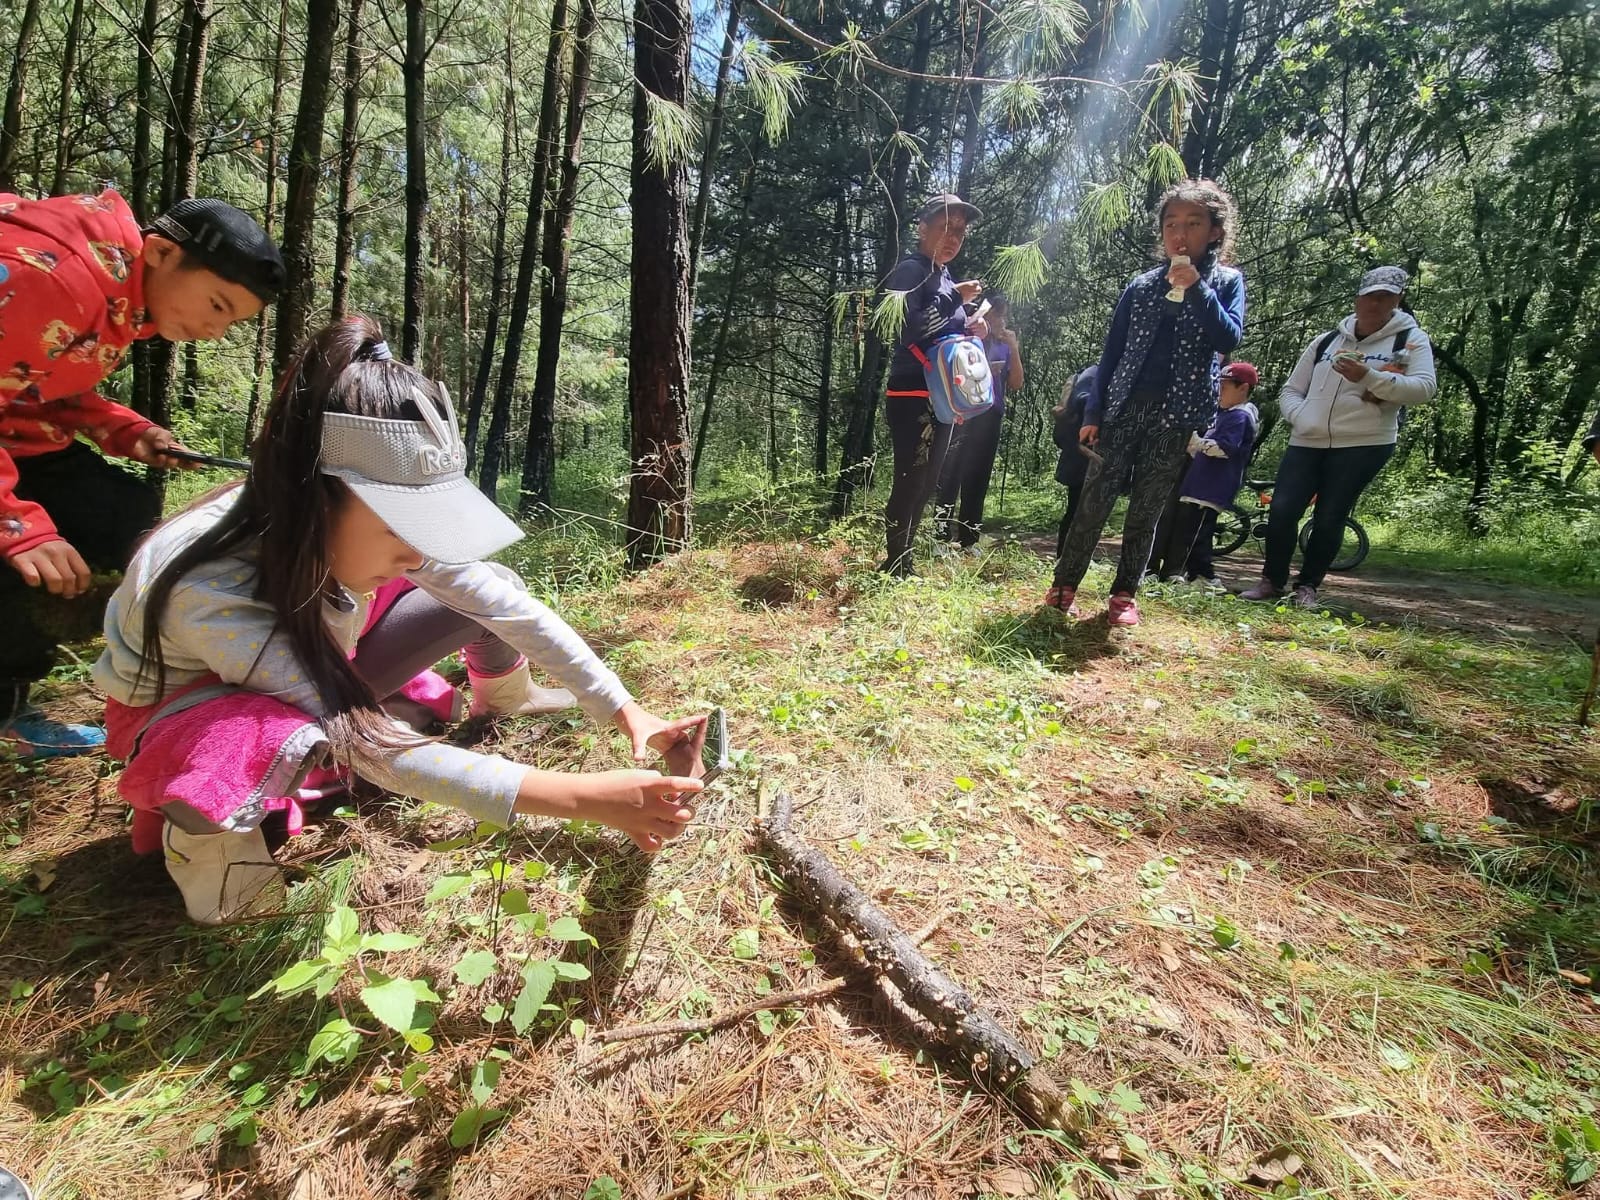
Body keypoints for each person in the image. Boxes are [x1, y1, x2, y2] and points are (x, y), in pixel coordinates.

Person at [93, 317, 707, 924]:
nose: (415, 554)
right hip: (198, 715)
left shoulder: (348, 526)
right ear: (314, 494)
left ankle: (506, 698)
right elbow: (364, 736)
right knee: (256, 736)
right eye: (397, 528)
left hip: (320, 665)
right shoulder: (207, 583)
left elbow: (506, 606)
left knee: (491, 590)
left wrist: (627, 710)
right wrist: (582, 799)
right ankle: (217, 856)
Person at [0, 191, 285, 758]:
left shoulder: (114, 293)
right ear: (160, 252)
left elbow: (33, 379)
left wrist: (127, 430)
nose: (214, 329)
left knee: (119, 514)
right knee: (28, 558)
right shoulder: (53, 278)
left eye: (232, 320)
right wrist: (18, 526)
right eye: (217, 305)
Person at [1044, 179, 1246, 626]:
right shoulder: (1141, 287)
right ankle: (1063, 586)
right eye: (1171, 224)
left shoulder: (1227, 284)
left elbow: (1227, 337)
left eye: (1193, 224)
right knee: (1093, 503)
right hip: (1122, 410)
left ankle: (1124, 595)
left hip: (1176, 417)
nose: (1180, 234)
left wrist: (1198, 289)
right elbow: (1110, 356)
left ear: (1214, 231)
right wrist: (1092, 414)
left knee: (1147, 509)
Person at [1240, 266, 1436, 608]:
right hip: (1307, 440)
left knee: (1330, 515)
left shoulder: (1410, 341)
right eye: (1369, 296)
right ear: (1357, 298)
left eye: (1385, 297)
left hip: (1364, 443)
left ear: (1397, 300)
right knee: (1283, 511)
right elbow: (1291, 390)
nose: (1375, 304)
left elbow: (1423, 388)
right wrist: (1302, 418)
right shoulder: (1328, 340)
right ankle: (1271, 580)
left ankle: (1308, 587)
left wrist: (1370, 376)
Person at [879, 193, 988, 577]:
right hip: (912, 391)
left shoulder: (941, 275)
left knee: (926, 482)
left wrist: (974, 324)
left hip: (941, 394)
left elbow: (941, 329)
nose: (953, 236)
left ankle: (904, 560)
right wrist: (953, 298)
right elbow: (907, 327)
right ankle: (893, 563)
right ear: (923, 229)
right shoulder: (912, 270)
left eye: (960, 230)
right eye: (945, 227)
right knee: (911, 479)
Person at [1150, 361, 1259, 585]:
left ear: (1243, 388)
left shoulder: (1240, 417)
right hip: (1198, 485)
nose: (1219, 392)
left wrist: (1198, 443)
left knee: (1199, 534)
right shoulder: (1223, 414)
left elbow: (1224, 448)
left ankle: (1206, 577)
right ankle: (1191, 574)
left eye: (1225, 387)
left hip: (1212, 487)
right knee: (1189, 532)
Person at [934, 291, 1024, 552]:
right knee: (951, 472)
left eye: (1004, 316)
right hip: (963, 412)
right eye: (997, 315)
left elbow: (1016, 383)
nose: (1001, 322)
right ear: (986, 314)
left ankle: (969, 539)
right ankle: (939, 536)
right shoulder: (968, 338)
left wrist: (1014, 349)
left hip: (991, 415)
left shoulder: (1004, 345)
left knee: (978, 476)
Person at [1050, 362, 1098, 573]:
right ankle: (1064, 557)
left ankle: (1077, 557)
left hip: (1086, 454)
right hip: (1080, 453)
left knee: (1088, 509)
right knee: (1077, 509)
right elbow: (1081, 400)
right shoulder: (1095, 373)